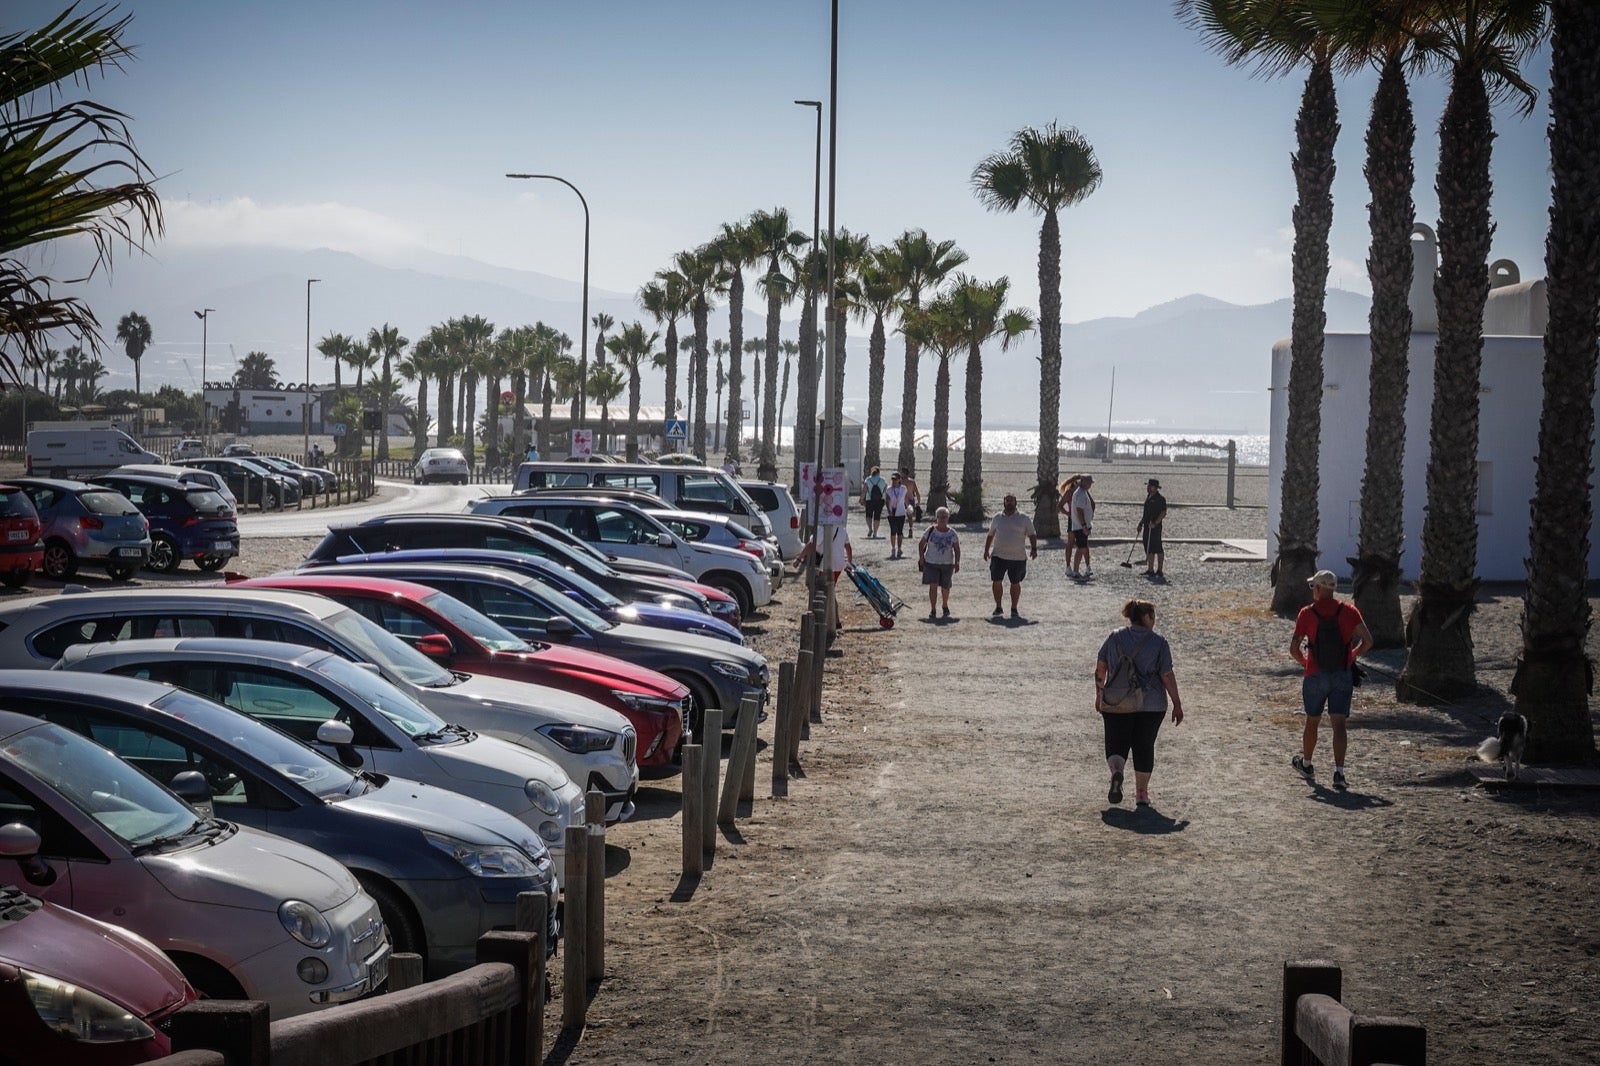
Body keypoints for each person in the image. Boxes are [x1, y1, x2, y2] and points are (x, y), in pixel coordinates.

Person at [1096, 599, 1183, 808]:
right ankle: (1142, 793)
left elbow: (1101, 668)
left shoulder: (1114, 637)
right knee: (1144, 746)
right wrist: (1177, 703)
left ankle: (1117, 772)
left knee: (1116, 743)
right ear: (1146, 617)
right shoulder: (1159, 642)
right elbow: (1167, 675)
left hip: (1117, 700)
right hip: (1151, 704)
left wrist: (1100, 695)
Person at [1289, 570, 1373, 790]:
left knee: (1312, 720)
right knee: (1339, 724)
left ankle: (1307, 763)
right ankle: (1339, 772)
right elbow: (1368, 641)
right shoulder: (1349, 611)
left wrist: (1306, 663)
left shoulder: (1307, 614)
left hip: (1315, 674)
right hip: (1342, 674)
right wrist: (1352, 655)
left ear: (1317, 589)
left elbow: (1294, 648)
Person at [983, 493, 1038, 618]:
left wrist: (1034, 549)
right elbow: (990, 534)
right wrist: (986, 550)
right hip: (998, 556)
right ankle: (998, 606)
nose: (1009, 503)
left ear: (1016, 502)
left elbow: (1032, 534)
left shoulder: (1024, 518)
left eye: (1011, 500)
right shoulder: (997, 517)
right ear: (1003, 502)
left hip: (1017, 557)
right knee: (996, 581)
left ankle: (1014, 608)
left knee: (1015, 582)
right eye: (1007, 500)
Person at [797, 522, 853, 632]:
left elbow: (812, 545)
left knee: (826, 592)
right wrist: (849, 563)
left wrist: (799, 558)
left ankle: (831, 621)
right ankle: (834, 621)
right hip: (838, 565)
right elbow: (848, 546)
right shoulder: (841, 528)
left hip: (826, 565)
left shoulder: (822, 528)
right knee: (830, 591)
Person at [917, 506, 960, 620]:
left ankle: (945, 605)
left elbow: (957, 548)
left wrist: (957, 562)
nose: (942, 519)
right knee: (933, 586)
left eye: (944, 517)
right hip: (931, 562)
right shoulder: (930, 530)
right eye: (939, 517)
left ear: (948, 518)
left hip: (947, 563)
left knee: (946, 587)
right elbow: (921, 544)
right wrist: (921, 557)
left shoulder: (952, 533)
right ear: (936, 518)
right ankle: (933, 609)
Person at [1138, 478, 1167, 576]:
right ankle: (1150, 569)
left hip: (1156, 527)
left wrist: (1155, 523)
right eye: (1148, 486)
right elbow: (1145, 514)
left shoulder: (1160, 499)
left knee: (1158, 548)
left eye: (1150, 486)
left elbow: (1163, 513)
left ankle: (1160, 570)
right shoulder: (1148, 497)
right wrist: (1141, 523)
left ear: (1155, 488)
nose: (1148, 488)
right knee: (1148, 547)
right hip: (1147, 526)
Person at [1069, 474, 1096, 578]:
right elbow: (1079, 511)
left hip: (1081, 526)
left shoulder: (1083, 492)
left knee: (1081, 548)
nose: (1090, 485)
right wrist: (1084, 526)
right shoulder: (1080, 494)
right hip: (1080, 527)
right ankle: (1079, 570)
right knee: (1082, 548)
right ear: (1084, 482)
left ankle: (1080, 569)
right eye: (1089, 483)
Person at [1057, 474, 1083, 575]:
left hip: (1081, 520)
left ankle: (1077, 568)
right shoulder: (1069, 493)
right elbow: (1060, 505)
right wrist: (1068, 513)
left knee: (1081, 544)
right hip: (1073, 519)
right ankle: (1068, 566)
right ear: (1075, 483)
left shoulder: (1082, 492)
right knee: (1070, 542)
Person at [884, 471, 912, 559]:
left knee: (900, 532)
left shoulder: (903, 489)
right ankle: (893, 549)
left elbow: (905, 499)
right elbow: (887, 500)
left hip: (901, 512)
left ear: (899, 480)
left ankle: (899, 549)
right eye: (892, 479)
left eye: (895, 479)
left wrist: (909, 507)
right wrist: (889, 510)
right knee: (893, 531)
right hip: (892, 513)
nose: (894, 481)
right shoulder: (889, 489)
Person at [861, 466, 888, 539]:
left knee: (868, 515)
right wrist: (885, 500)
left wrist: (861, 499)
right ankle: (875, 532)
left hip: (869, 500)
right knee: (877, 516)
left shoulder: (868, 479)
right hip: (880, 500)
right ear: (879, 472)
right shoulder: (883, 480)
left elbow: (864, 491)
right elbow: (885, 492)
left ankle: (870, 529)